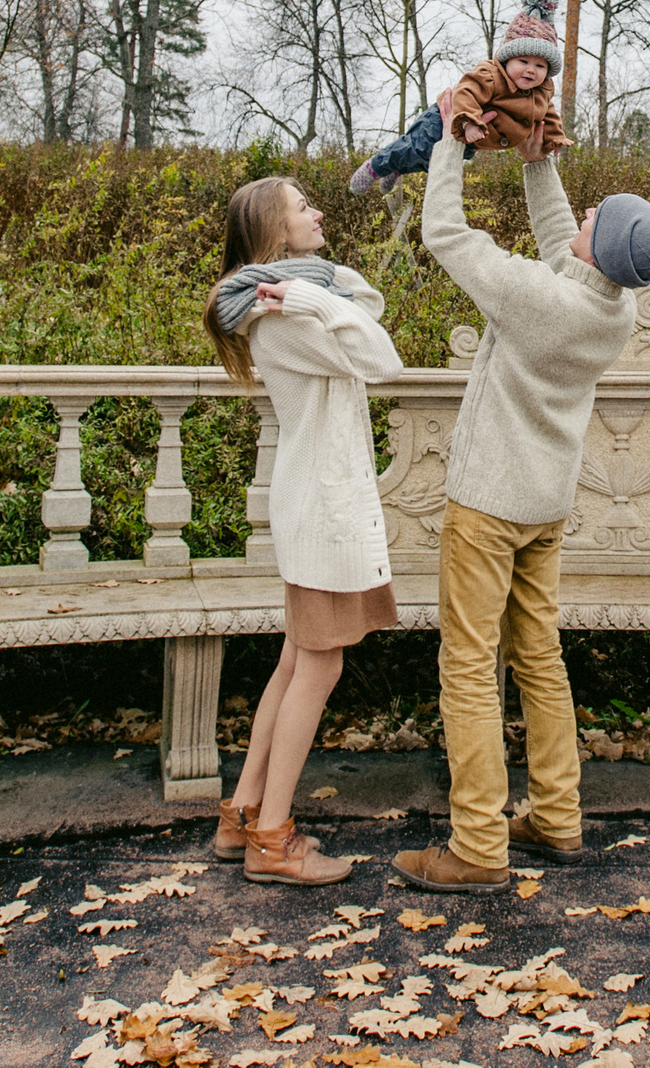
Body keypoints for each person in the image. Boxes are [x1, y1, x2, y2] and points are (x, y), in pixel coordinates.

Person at [392, 100, 650, 893]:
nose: (585, 210)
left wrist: (450, 143)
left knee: (469, 668)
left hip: (489, 504)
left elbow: (446, 236)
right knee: (539, 659)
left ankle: (478, 845)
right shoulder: (610, 305)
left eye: (596, 214)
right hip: (545, 506)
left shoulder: (543, 302)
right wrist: (538, 163)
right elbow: (565, 244)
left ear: (605, 244)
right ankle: (556, 816)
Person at [205, 175, 406, 885]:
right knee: (319, 667)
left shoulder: (288, 299)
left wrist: (313, 280)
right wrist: (315, 295)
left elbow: (368, 304)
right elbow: (385, 359)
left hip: (313, 503)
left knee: (296, 662)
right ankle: (272, 840)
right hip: (324, 512)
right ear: (273, 231)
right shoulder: (286, 317)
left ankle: (245, 813)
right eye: (303, 208)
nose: (319, 212)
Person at [349, 0, 572, 194]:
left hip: (474, 142)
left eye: (540, 65)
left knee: (431, 161)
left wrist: (555, 138)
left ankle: (398, 169)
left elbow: (548, 116)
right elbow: (467, 92)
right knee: (417, 147)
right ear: (507, 60)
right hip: (448, 119)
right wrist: (468, 121)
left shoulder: (542, 92)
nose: (531, 70)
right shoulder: (491, 75)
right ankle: (375, 166)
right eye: (523, 62)